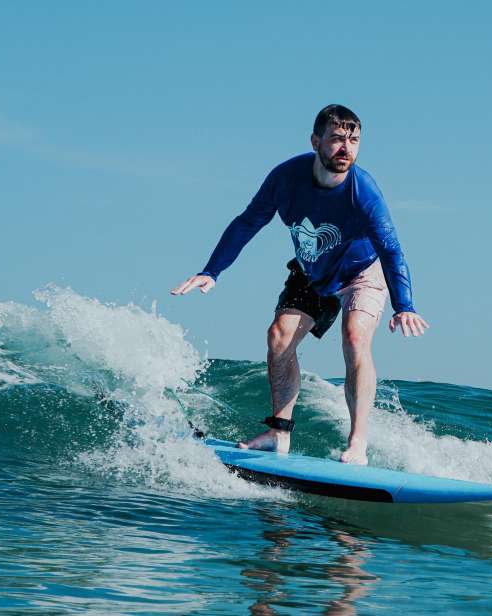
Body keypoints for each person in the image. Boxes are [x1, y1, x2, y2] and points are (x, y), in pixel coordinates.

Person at [171, 104, 429, 464]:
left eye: (353, 141)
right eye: (338, 139)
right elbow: (248, 222)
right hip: (314, 272)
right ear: (315, 141)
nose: (346, 148)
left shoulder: (364, 192)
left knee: (355, 337)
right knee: (279, 337)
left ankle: (357, 444)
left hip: (362, 272)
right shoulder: (286, 180)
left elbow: (391, 249)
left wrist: (405, 305)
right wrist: (212, 270)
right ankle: (278, 433)